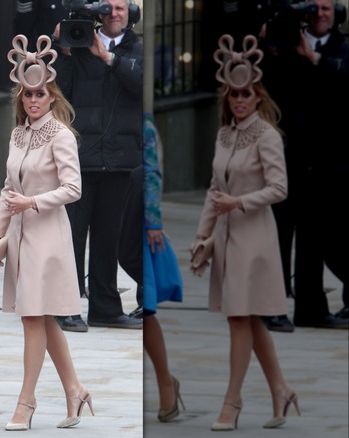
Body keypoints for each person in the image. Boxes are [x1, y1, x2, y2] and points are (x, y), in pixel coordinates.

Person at [0, 33, 93, 431]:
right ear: (21, 97)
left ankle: (26, 403)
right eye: (28, 94)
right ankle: (75, 390)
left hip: (48, 237)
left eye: (40, 94)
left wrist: (32, 203)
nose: (33, 100)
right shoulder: (17, 134)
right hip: (19, 236)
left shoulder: (62, 136)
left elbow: (74, 189)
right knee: (42, 320)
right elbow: (7, 188)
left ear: (52, 97)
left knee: (34, 318)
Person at [194, 34, 299, 431]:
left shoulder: (268, 136)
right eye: (234, 93)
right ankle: (281, 390)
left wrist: (239, 203)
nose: (239, 99)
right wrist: (203, 234)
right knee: (247, 320)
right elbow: (213, 188)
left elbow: (280, 188)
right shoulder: (224, 135)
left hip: (254, 238)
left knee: (240, 318)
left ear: (257, 97)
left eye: (246, 93)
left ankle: (232, 403)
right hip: (226, 236)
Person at [51, 0, 144, 331]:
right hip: (81, 158)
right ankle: (67, 306)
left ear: (130, 13)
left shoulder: (137, 49)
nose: (114, 14)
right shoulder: (78, 48)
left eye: (121, 8)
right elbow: (59, 93)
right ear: (98, 14)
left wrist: (109, 59)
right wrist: (62, 52)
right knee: (72, 235)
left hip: (121, 159)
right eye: (109, 8)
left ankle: (106, 307)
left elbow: (141, 86)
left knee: (109, 237)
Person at [259, 0, 349, 330]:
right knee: (276, 235)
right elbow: (260, 81)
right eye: (315, 8)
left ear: (336, 13)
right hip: (283, 157)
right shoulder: (281, 44)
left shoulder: (341, 50)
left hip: (327, 162)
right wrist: (266, 42)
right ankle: (273, 307)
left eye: (327, 8)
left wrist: (317, 61)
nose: (320, 14)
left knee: (314, 237)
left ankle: (311, 308)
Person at [139, 112, 185, 423]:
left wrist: (154, 221)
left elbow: (151, 173)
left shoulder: (145, 126)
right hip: (120, 220)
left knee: (147, 309)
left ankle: (165, 382)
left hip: (141, 227)